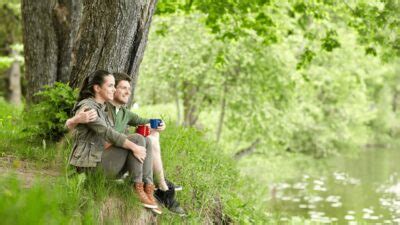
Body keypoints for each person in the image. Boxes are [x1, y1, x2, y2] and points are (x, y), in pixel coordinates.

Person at [67, 72, 185, 215]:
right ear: (97, 88)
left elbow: (138, 123)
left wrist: (159, 125)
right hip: (89, 168)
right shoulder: (89, 107)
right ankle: (137, 186)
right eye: (111, 86)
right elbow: (107, 133)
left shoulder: (103, 108)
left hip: (100, 161)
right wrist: (133, 146)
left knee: (146, 139)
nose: (113, 89)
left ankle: (147, 187)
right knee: (137, 139)